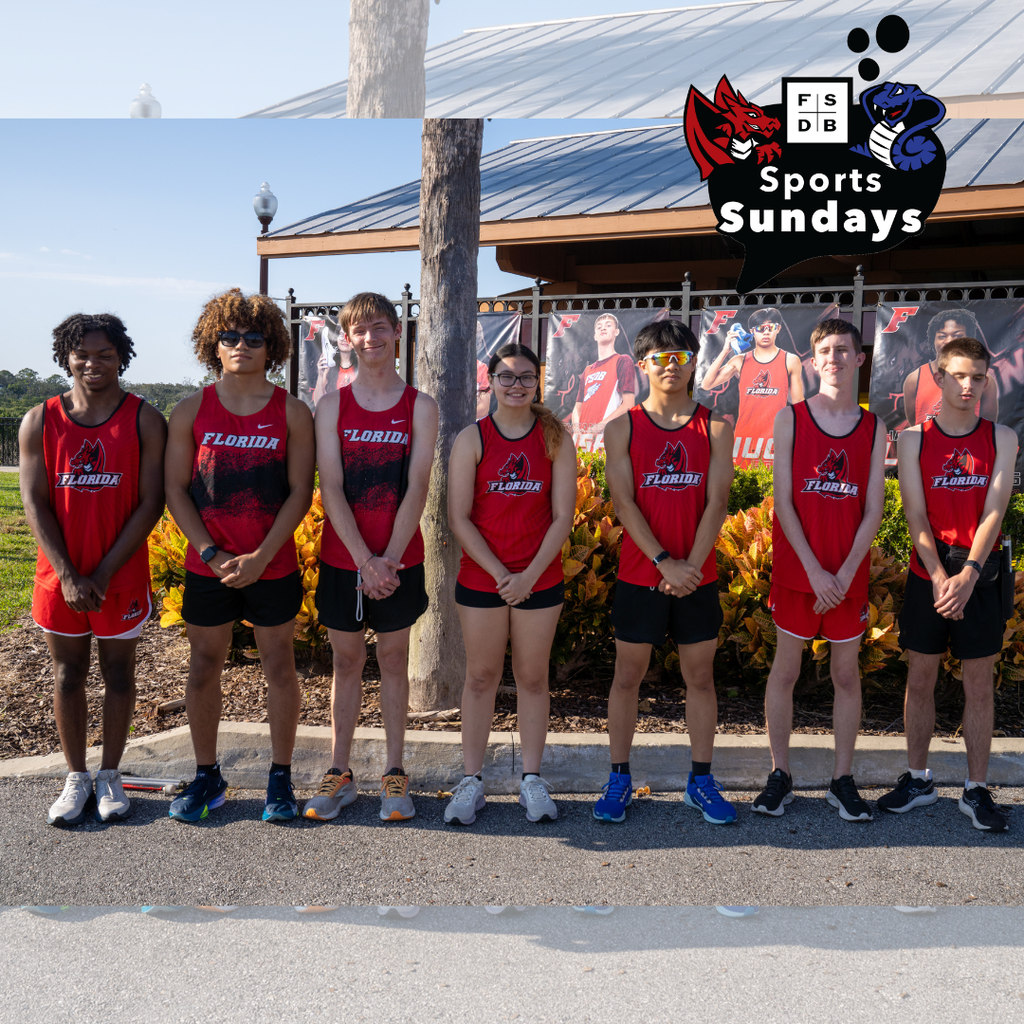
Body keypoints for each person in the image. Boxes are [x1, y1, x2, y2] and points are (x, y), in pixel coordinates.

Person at [165, 289, 314, 823]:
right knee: (204, 665)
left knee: (279, 663)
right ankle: (208, 777)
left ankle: (280, 777)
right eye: (230, 337)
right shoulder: (191, 409)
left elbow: (300, 491)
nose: (242, 346)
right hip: (208, 563)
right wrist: (209, 551)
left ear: (271, 345)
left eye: (254, 337)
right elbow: (175, 490)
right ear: (214, 344)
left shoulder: (292, 412)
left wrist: (259, 555)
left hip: (270, 563)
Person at [20, 314, 166, 826]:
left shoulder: (145, 419)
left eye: (105, 354)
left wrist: (102, 573)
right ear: (66, 357)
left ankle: (110, 775)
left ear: (121, 356)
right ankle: (76, 777)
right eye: (82, 353)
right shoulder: (40, 419)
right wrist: (68, 572)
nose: (93, 362)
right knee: (67, 674)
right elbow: (34, 501)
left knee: (119, 673)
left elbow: (152, 502)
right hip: (60, 577)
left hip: (118, 574)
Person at [593, 319, 736, 825]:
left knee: (700, 678)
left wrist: (690, 568)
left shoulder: (716, 425)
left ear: (694, 361)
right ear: (642, 364)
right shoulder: (622, 427)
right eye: (659, 357)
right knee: (627, 677)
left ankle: (700, 781)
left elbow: (717, 502)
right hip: (642, 574)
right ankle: (619, 778)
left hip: (697, 575)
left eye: (679, 356)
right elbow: (624, 502)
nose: (670, 365)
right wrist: (663, 562)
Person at [304, 292, 438, 823]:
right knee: (346, 662)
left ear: (396, 334)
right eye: (360, 329)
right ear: (347, 339)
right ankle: (340, 773)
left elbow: (418, 485)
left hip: (400, 559)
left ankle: (395, 773)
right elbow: (330, 487)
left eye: (380, 327)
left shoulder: (419, 406)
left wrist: (387, 559)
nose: (371, 337)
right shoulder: (332, 406)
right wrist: (364, 560)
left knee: (393, 662)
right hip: (346, 560)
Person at [882, 337, 1016, 831]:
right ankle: (918, 779)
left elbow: (994, 512)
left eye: (977, 376)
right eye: (958, 375)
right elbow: (914, 514)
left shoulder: (1001, 437)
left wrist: (969, 576)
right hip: (929, 576)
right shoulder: (914, 438)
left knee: (979, 686)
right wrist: (941, 577)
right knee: (921, 680)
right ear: (938, 377)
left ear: (986, 380)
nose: (968, 385)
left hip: (978, 578)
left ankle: (976, 789)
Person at [754, 319, 885, 822]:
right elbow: (783, 503)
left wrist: (845, 573)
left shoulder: (873, 427)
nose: (834, 358)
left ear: (859, 359)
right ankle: (780, 776)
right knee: (785, 671)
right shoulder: (790, 418)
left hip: (846, 576)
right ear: (813, 360)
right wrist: (814, 571)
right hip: (798, 574)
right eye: (825, 350)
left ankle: (842, 780)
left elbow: (873, 509)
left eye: (843, 350)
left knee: (845, 675)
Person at [444, 344, 576, 826]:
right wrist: (502, 575)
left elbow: (563, 517)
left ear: (537, 383)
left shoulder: (556, 438)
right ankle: (472, 781)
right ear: (491, 381)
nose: (516, 385)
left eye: (525, 377)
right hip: (484, 579)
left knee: (533, 678)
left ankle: (532, 780)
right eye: (506, 376)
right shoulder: (472, 439)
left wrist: (528, 576)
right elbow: (459, 517)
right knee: (480, 678)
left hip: (539, 578)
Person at [699, 307, 804, 467]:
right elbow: (707, 384)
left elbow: (799, 404)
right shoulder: (740, 360)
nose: (766, 332)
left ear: (778, 329)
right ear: (752, 331)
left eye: (771, 327)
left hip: (776, 437)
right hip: (744, 438)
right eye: (761, 328)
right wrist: (725, 350)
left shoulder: (790, 360)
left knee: (773, 489)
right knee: (741, 489)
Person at [902, 309, 997, 426]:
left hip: (970, 444)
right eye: (942, 336)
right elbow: (915, 423)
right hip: (930, 444)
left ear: (969, 338)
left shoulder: (984, 380)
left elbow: (988, 427)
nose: (949, 341)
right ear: (933, 340)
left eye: (957, 335)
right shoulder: (914, 379)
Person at [570, 313, 638, 451]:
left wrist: (599, 427)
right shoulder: (587, 370)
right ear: (595, 336)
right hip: (583, 441)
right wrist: (578, 432)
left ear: (616, 332)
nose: (603, 328)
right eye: (599, 327)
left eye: (608, 325)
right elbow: (577, 408)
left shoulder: (622, 361)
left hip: (605, 438)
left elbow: (629, 404)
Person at [312, 319, 358, 406]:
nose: (345, 339)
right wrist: (321, 375)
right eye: (341, 334)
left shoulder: (361, 368)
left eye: (348, 335)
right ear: (336, 338)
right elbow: (318, 403)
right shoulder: (329, 370)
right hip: (334, 418)